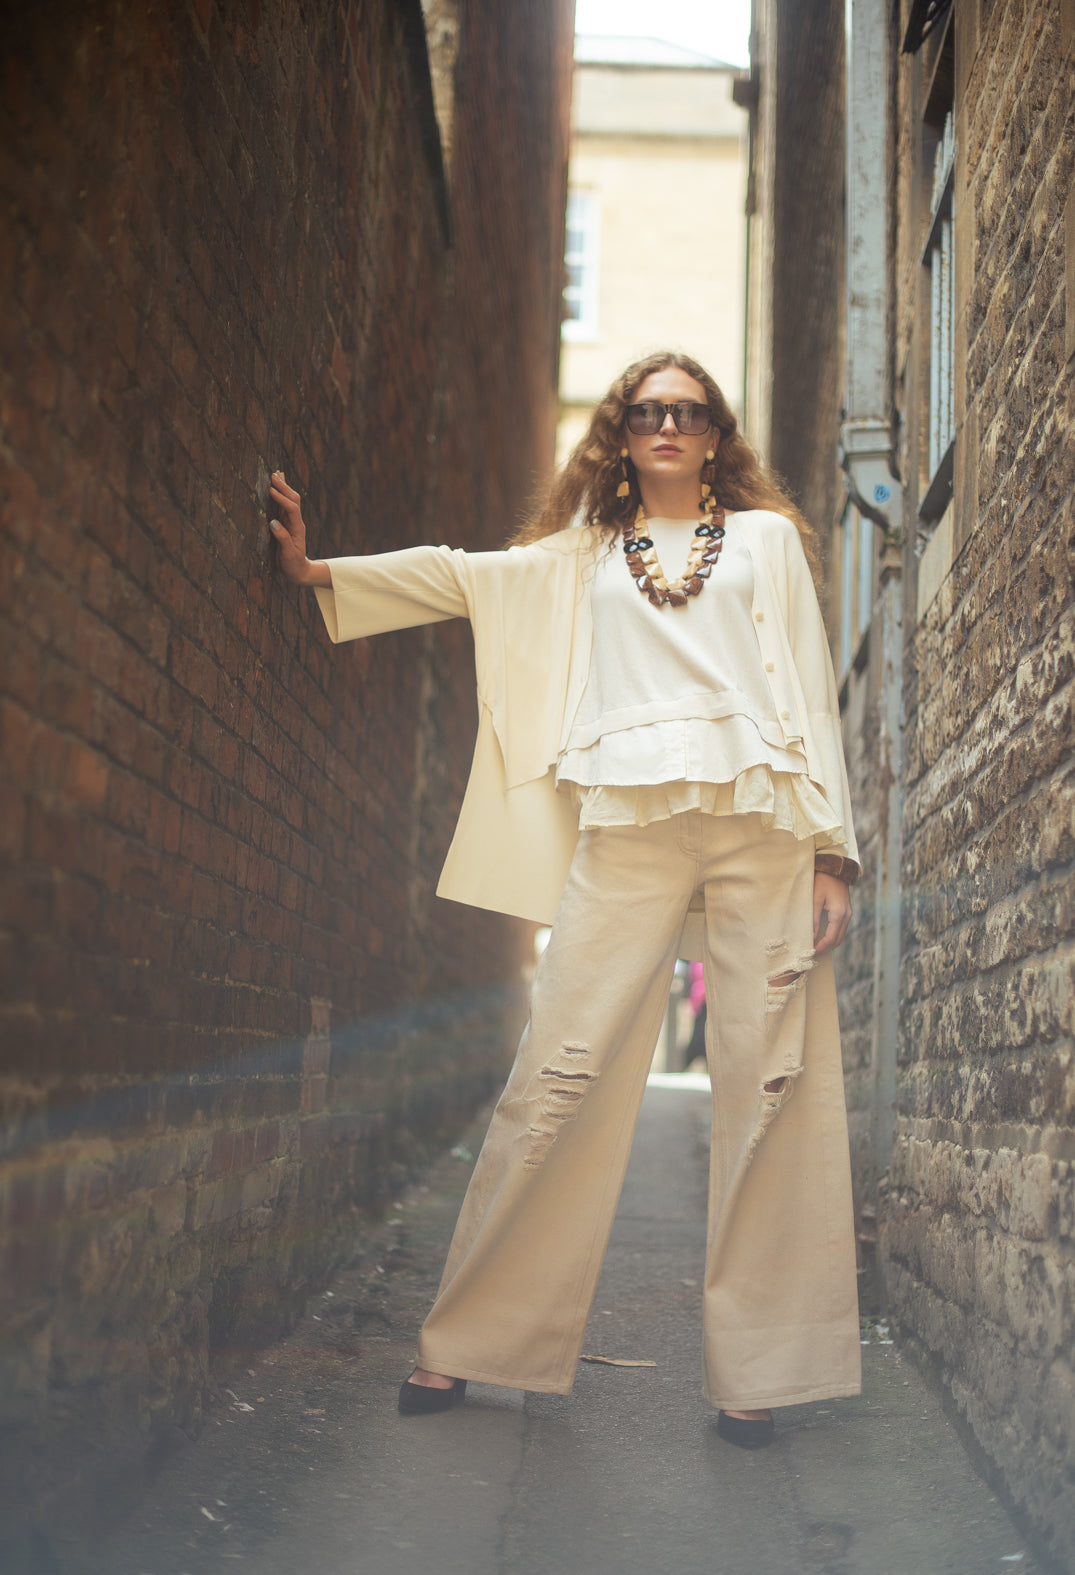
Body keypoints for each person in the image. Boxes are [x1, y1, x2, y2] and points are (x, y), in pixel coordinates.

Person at [269, 351, 861, 1449]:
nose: (668, 427)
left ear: (717, 433)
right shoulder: (585, 557)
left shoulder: (769, 543)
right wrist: (320, 576)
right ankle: (469, 1345)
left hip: (763, 826)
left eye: (688, 412)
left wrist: (834, 852)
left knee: (772, 1082)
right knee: (556, 1069)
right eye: (647, 413)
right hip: (625, 827)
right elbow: (463, 576)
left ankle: (759, 1376)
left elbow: (813, 692)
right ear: (620, 435)